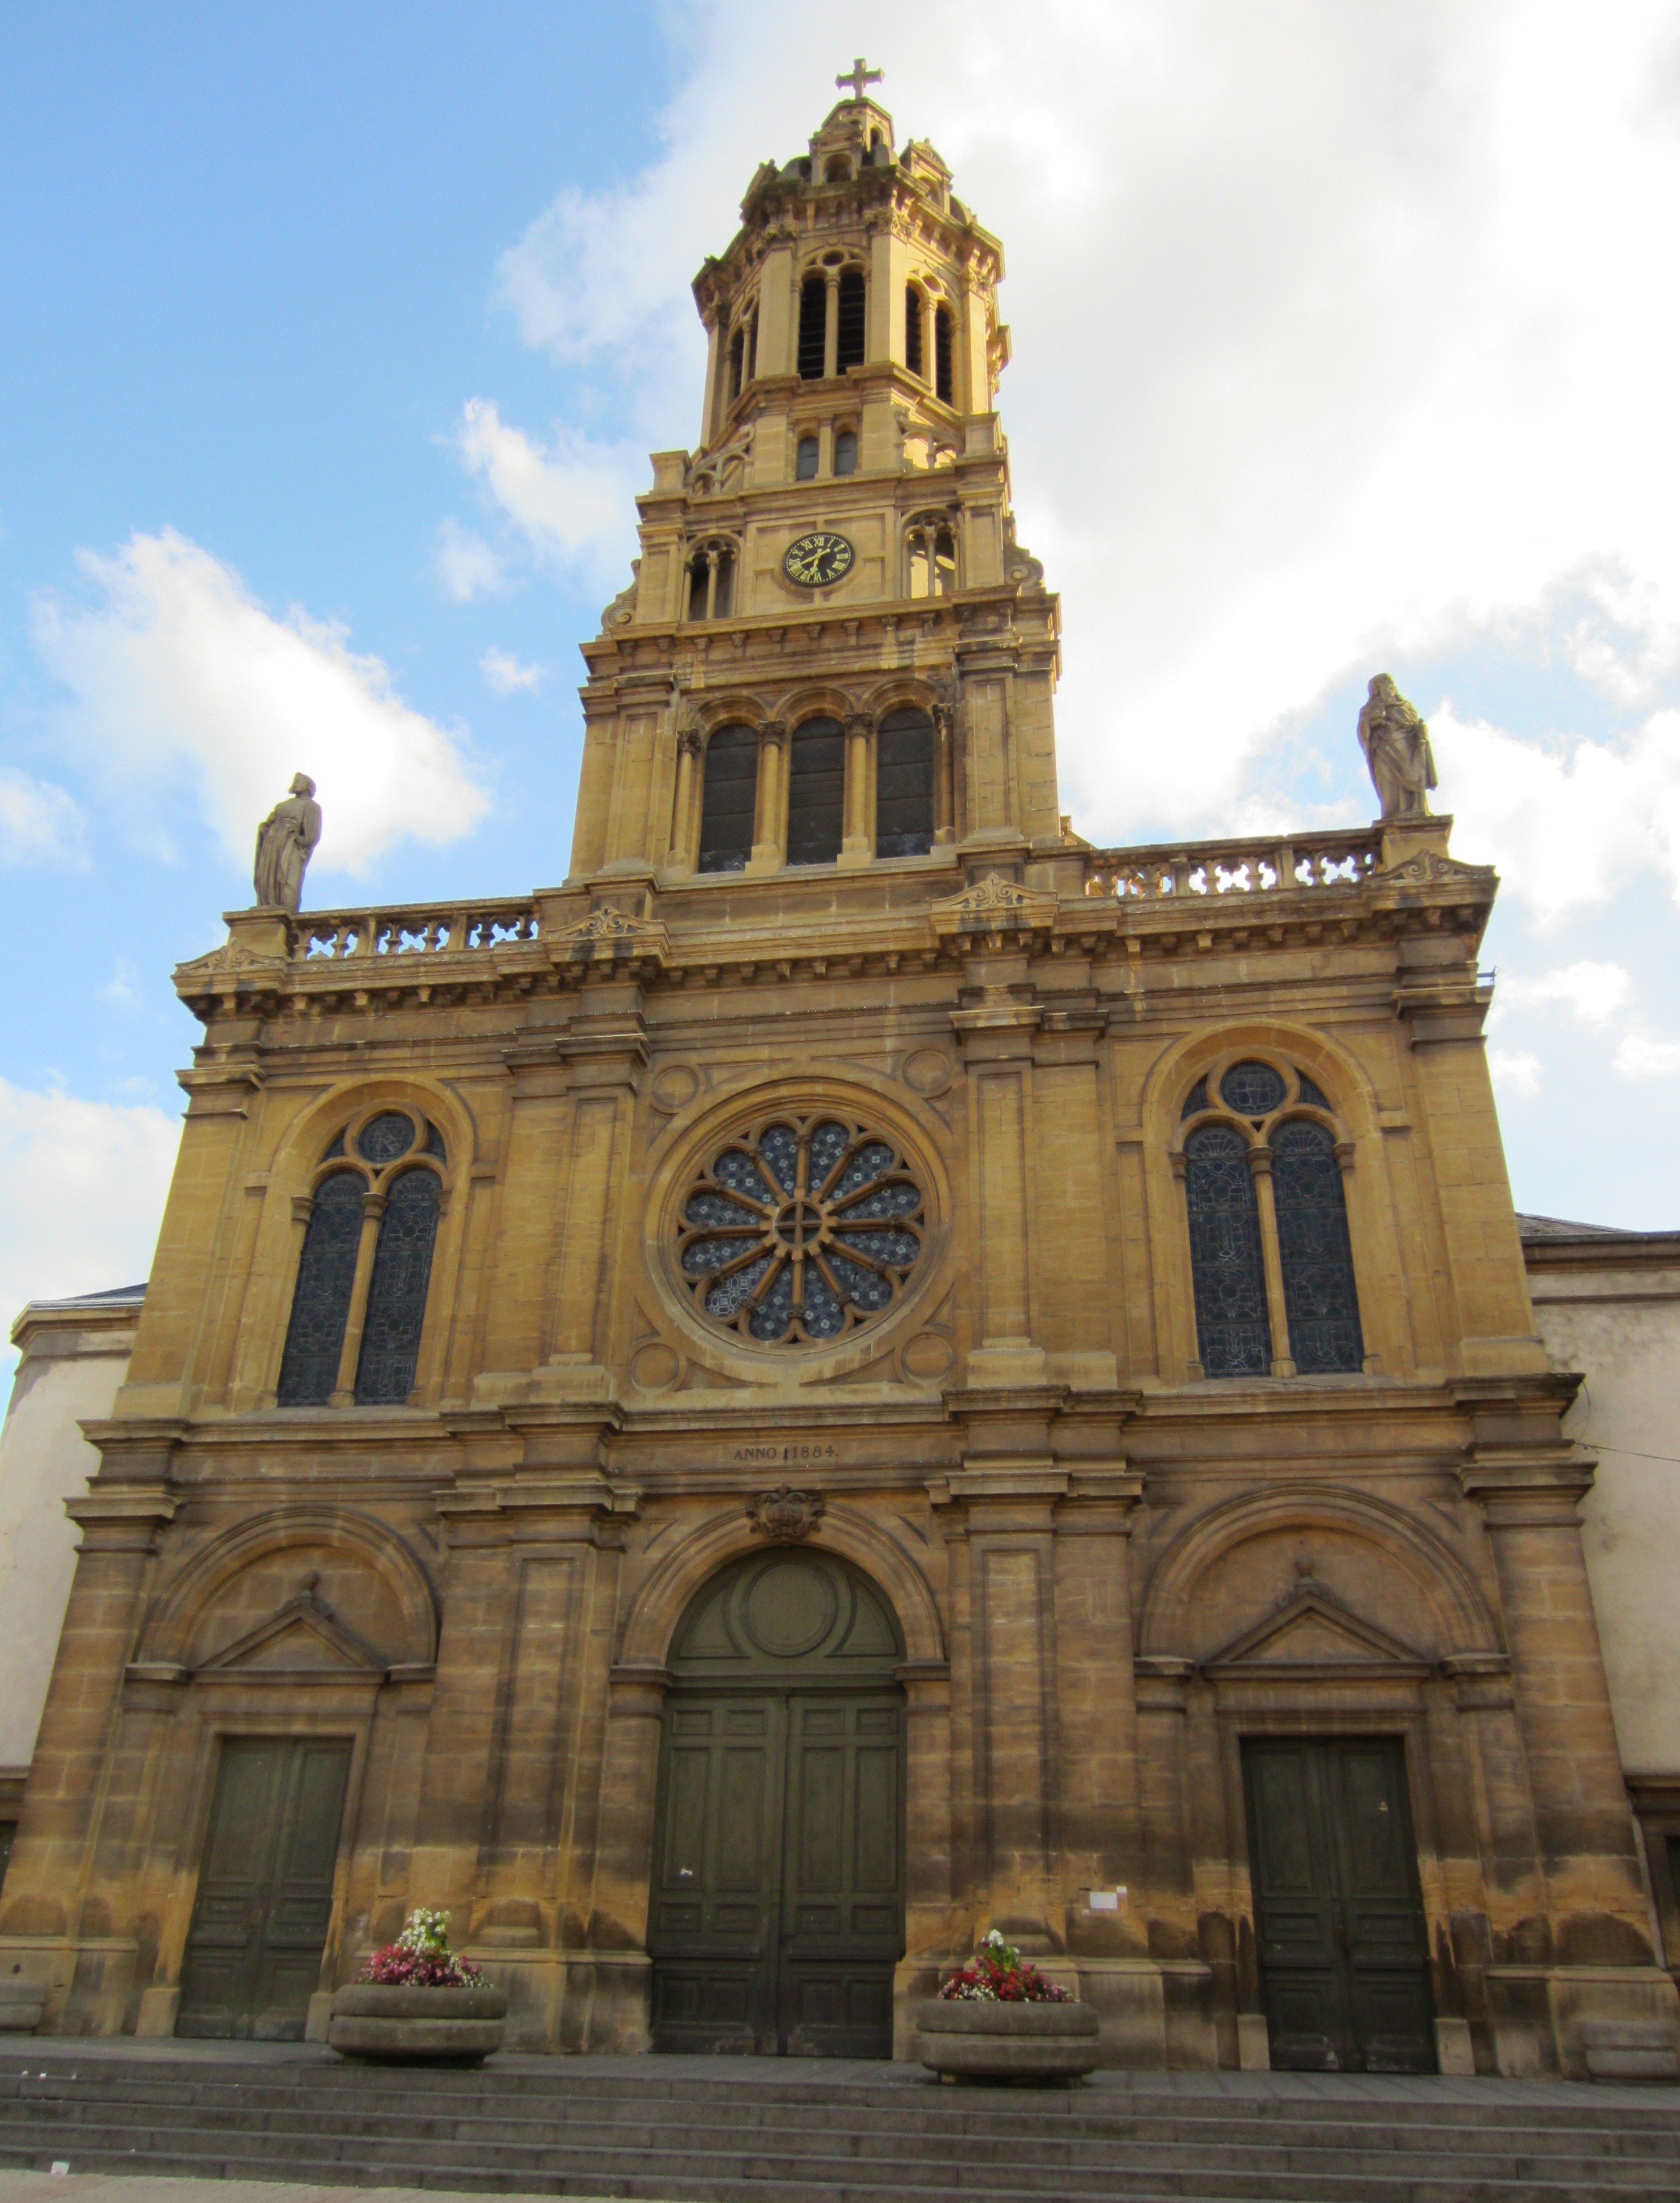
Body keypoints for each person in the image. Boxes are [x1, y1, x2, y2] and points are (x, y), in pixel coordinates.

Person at [1357, 675, 1436, 820]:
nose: (1388, 686)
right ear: (1376, 690)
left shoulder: (1406, 707)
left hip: (1406, 749)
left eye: (1389, 683)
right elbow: (1363, 732)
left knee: (1413, 773)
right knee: (1388, 785)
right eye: (1382, 684)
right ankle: (1392, 813)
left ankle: (1415, 810)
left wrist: (1420, 732)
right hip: (1383, 750)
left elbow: (1414, 725)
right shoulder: (1369, 709)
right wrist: (1372, 723)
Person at [253, 773, 322, 911]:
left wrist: (296, 840)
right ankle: (267, 905)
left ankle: (286, 910)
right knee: (268, 877)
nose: (295, 784)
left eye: (299, 781)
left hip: (291, 846)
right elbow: (268, 823)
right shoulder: (282, 806)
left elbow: (311, 836)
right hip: (272, 843)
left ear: (308, 787)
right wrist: (266, 829)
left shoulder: (311, 806)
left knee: (288, 879)